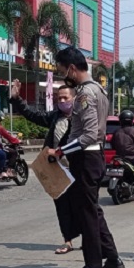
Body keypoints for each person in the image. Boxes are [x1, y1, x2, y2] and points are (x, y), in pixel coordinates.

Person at [49, 46, 121, 268]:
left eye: (62, 70)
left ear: (71, 68)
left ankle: (93, 265)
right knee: (92, 210)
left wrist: (60, 151)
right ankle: (111, 257)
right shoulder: (96, 89)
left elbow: (88, 134)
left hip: (86, 158)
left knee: (86, 213)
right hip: (91, 158)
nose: (63, 75)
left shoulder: (85, 94)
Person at [10, 79, 80, 255]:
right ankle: (68, 240)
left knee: (81, 206)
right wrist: (17, 99)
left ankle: (88, 238)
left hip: (78, 169)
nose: (62, 101)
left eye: (66, 98)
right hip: (57, 170)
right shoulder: (55, 116)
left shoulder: (82, 119)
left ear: (75, 98)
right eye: (59, 98)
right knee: (61, 205)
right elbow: (33, 115)